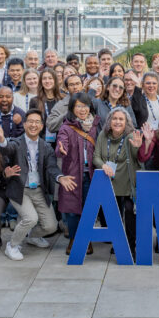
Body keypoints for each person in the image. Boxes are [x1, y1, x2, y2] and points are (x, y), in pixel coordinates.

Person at [1, 110, 75, 260]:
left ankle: (32, 236)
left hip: (38, 190)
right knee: (31, 218)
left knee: (51, 226)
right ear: (24, 124)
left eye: (37, 122)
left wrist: (60, 177)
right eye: (30, 121)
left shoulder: (46, 147)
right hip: (20, 190)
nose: (33, 125)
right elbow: (7, 149)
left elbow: (52, 167)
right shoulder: (16, 143)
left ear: (41, 126)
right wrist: (2, 140)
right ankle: (12, 245)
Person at [94, 108, 143, 256]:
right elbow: (96, 156)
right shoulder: (103, 135)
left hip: (127, 183)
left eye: (121, 119)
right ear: (109, 120)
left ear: (126, 122)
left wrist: (137, 147)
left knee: (129, 214)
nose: (117, 122)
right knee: (113, 216)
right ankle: (118, 243)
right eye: (114, 118)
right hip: (109, 182)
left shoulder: (130, 136)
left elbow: (138, 159)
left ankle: (131, 246)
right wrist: (103, 165)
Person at [56, 92, 101, 254]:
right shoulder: (66, 127)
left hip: (92, 174)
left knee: (89, 209)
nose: (82, 109)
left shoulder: (97, 125)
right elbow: (62, 142)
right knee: (73, 210)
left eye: (85, 106)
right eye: (78, 106)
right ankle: (74, 239)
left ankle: (86, 238)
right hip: (73, 175)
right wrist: (61, 148)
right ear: (72, 108)